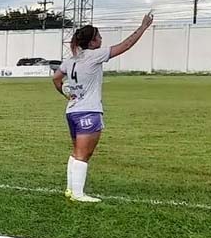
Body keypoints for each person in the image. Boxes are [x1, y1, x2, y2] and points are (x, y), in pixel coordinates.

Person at [52, 12, 154, 203]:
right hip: (89, 111)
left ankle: (70, 189)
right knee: (84, 154)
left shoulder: (71, 60)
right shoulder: (94, 55)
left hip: (72, 111)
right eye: (98, 36)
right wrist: (143, 27)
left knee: (76, 152)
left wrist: (66, 93)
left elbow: (56, 78)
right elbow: (126, 45)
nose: (101, 39)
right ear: (91, 42)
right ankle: (78, 194)